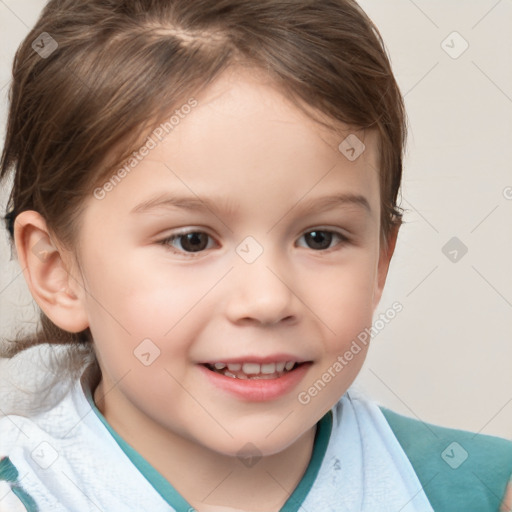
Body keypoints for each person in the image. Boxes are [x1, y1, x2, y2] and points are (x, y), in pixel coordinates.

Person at [0, 1, 511, 511]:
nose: (267, 300)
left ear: (380, 260)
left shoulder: (480, 490)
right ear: (58, 271)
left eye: (320, 238)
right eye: (191, 240)